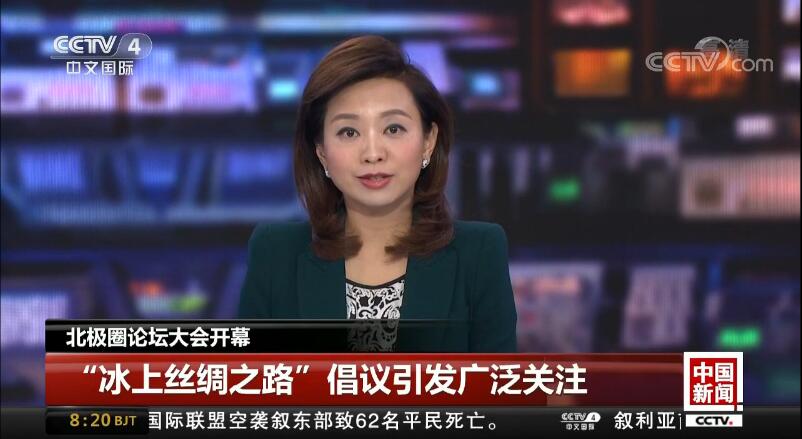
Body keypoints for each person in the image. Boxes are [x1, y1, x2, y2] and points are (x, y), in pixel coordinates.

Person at [238, 35, 517, 352]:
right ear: (322, 152)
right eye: (349, 132)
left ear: (428, 141)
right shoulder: (275, 255)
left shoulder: (479, 254)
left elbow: (496, 380)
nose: (372, 154)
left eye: (393, 129)